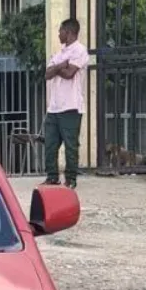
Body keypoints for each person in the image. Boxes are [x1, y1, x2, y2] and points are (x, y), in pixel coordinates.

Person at [42, 17, 89, 188]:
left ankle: (71, 179)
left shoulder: (80, 51)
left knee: (70, 145)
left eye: (60, 31)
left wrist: (56, 69)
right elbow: (47, 74)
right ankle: (52, 176)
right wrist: (61, 65)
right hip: (54, 107)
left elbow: (70, 74)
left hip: (71, 106)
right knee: (50, 144)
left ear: (68, 32)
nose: (58, 34)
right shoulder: (59, 54)